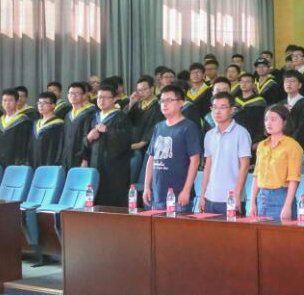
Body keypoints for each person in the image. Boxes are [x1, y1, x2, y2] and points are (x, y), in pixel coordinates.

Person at [143, 84, 203, 213]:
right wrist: (147, 186)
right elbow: (151, 158)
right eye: (162, 101)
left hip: (179, 195)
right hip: (157, 194)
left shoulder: (188, 127)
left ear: (181, 103)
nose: (164, 104)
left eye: (169, 100)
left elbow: (195, 160)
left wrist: (186, 190)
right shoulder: (159, 127)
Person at [194, 91, 253, 215]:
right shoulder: (209, 135)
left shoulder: (241, 133)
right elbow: (208, 166)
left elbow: (245, 166)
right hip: (210, 197)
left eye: (223, 107)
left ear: (232, 110)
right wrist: (203, 195)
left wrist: (237, 194)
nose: (217, 111)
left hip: (231, 198)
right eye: (214, 107)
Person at [250, 104, 304, 221]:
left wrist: (287, 206)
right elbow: (256, 175)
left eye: (273, 119)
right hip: (261, 197)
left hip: (281, 197)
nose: (268, 123)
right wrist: (252, 202)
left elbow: (294, 179)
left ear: (285, 122)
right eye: (266, 119)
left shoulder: (292, 146)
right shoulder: (262, 145)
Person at [86, 82, 133, 206]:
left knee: (112, 201)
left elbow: (126, 140)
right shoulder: (94, 117)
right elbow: (85, 140)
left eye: (106, 97)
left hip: (114, 168)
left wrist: (107, 130)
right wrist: (88, 138)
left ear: (114, 99)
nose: (101, 100)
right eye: (99, 97)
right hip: (95, 165)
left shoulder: (121, 117)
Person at [279, 70, 304, 154]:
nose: (288, 84)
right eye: (286, 81)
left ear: (300, 85)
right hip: (280, 147)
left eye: (292, 81)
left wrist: (288, 142)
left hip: (298, 148)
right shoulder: (280, 104)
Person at [0, 88, 34, 169]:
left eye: (10, 100)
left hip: (16, 163)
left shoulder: (24, 121)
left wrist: (22, 162)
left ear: (17, 102)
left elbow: (26, 145)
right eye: (5, 100)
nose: (7, 103)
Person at [60, 81, 96, 169]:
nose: (74, 96)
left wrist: (85, 158)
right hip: (67, 158)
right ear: (67, 96)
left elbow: (89, 138)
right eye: (71, 93)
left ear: (84, 96)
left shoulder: (89, 114)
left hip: (81, 158)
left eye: (77, 93)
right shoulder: (68, 115)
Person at [30, 92, 65, 167]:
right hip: (34, 163)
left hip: (50, 164)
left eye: (45, 103)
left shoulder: (59, 125)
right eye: (39, 103)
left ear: (53, 105)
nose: (41, 106)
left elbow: (59, 148)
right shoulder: (36, 123)